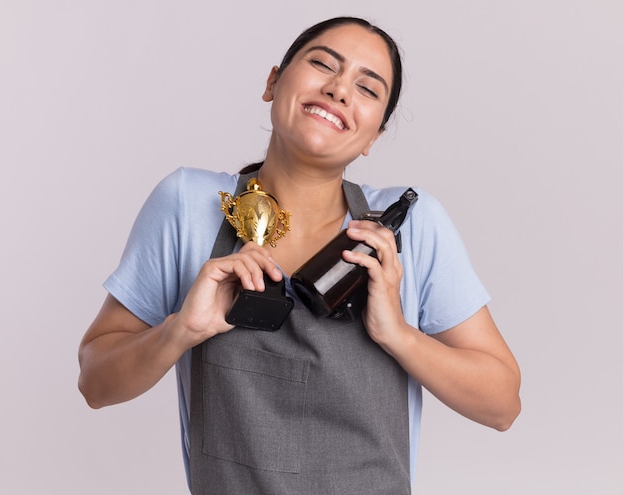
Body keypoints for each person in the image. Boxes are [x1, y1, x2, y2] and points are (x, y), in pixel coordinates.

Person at [78, 16, 521, 494]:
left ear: (374, 136)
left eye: (368, 89)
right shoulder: (187, 205)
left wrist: (396, 334)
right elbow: (95, 383)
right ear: (273, 82)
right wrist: (181, 329)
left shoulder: (412, 229)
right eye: (322, 64)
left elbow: (502, 406)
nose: (339, 90)